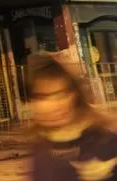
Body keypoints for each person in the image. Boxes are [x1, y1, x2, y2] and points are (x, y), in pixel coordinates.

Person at [27, 52, 117, 180]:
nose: (52, 106)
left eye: (61, 95)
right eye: (42, 97)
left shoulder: (104, 141)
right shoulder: (41, 146)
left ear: (75, 96)